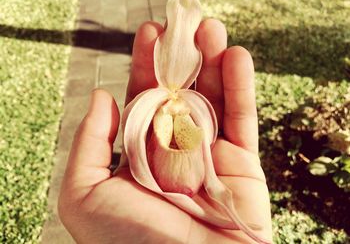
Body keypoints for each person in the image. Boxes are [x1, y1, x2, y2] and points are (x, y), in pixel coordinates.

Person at [58, 19, 273, 243]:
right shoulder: (150, 104)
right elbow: (133, 141)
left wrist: (213, 181)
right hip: (158, 113)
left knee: (200, 146)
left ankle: (239, 223)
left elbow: (207, 145)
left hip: (188, 113)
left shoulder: (196, 107)